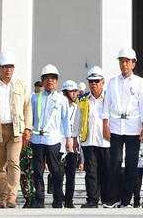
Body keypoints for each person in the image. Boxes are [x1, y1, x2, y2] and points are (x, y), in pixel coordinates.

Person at [0, 52, 33, 209]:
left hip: (16, 129)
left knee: (13, 161)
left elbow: (27, 107)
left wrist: (28, 128)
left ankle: (11, 196)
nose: (8, 70)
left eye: (11, 67)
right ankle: (3, 197)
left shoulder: (20, 86)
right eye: (5, 67)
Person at [103, 48, 143, 208]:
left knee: (131, 165)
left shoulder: (140, 82)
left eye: (127, 61)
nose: (124, 64)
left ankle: (126, 200)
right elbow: (106, 104)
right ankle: (114, 197)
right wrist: (105, 124)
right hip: (116, 126)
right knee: (115, 162)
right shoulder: (112, 82)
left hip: (133, 127)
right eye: (121, 61)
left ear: (133, 63)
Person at [29, 64, 72, 208]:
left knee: (56, 171)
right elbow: (30, 118)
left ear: (57, 81)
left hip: (53, 139)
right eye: (47, 78)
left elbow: (66, 121)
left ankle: (58, 199)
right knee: (38, 171)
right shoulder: (35, 98)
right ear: (42, 80)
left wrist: (68, 139)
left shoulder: (62, 99)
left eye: (53, 78)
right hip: (37, 139)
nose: (50, 81)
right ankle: (39, 199)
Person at [78, 66, 112, 208]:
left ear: (102, 82)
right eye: (91, 81)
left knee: (106, 172)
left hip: (106, 142)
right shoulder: (83, 99)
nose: (94, 84)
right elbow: (77, 119)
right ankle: (92, 200)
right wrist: (74, 138)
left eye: (97, 81)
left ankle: (107, 199)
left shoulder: (110, 98)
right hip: (89, 141)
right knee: (91, 172)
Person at [61, 79, 83, 208]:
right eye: (71, 91)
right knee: (58, 174)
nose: (74, 94)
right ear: (65, 92)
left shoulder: (78, 107)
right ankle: (58, 198)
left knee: (71, 176)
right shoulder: (58, 105)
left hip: (73, 146)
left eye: (75, 91)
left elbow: (78, 128)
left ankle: (69, 201)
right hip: (60, 145)